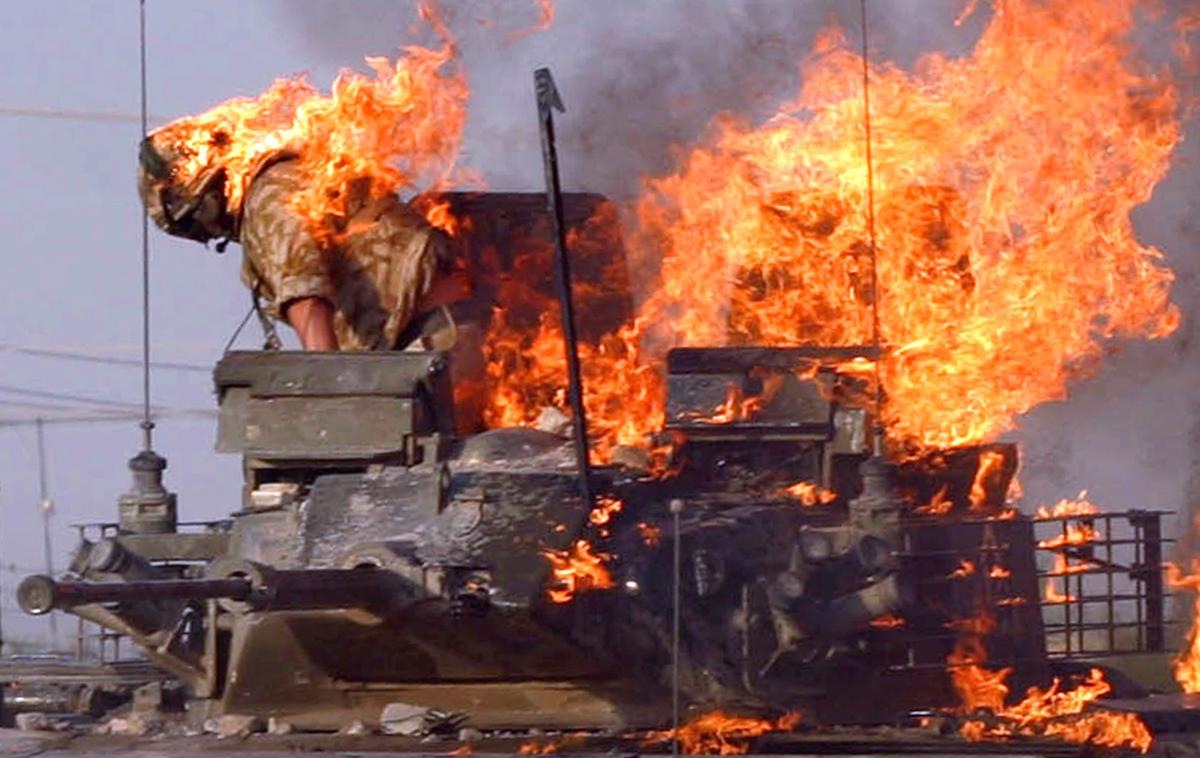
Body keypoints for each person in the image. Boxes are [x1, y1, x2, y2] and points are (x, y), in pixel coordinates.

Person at [136, 131, 486, 429]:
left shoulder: (268, 199)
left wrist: (330, 399)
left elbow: (305, 293)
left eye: (195, 223)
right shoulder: (288, 178)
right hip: (434, 340)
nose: (207, 234)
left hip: (433, 344)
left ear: (206, 197)